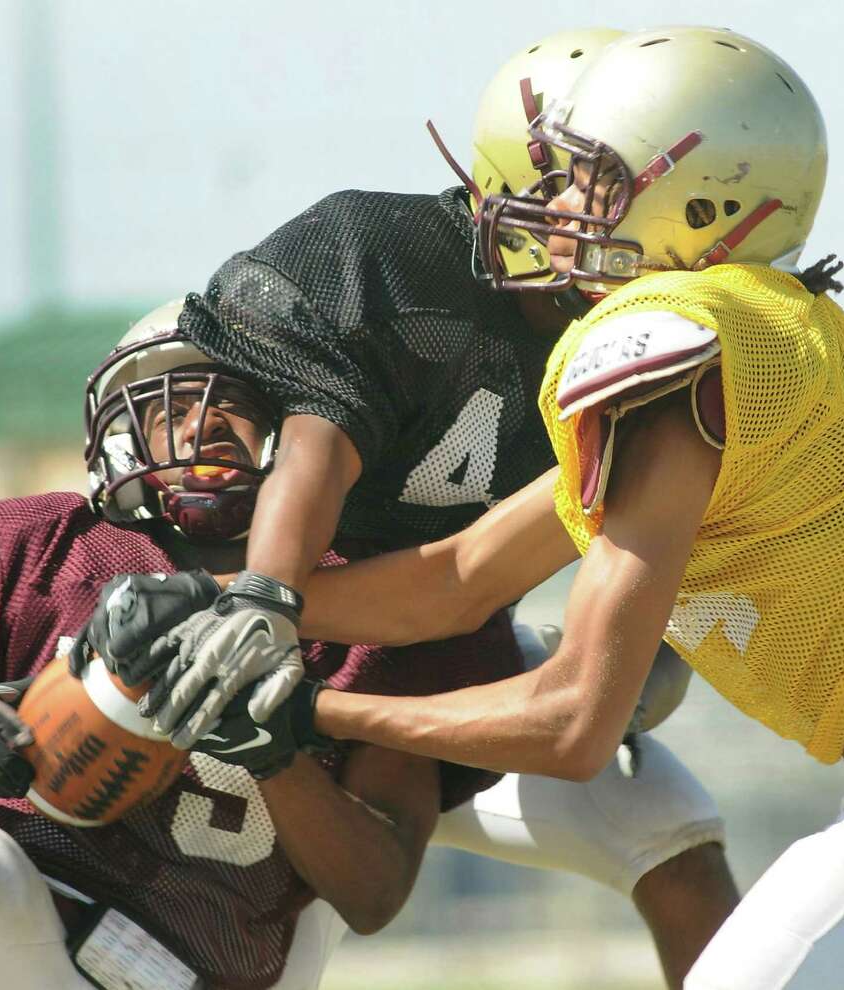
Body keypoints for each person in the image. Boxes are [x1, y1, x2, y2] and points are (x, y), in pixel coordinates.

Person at [135, 25, 844, 990]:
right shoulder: (762, 336)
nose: (559, 205)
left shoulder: (680, 351)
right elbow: (458, 581)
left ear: (701, 203)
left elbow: (576, 722)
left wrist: (317, 715)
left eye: (597, 179)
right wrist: (241, 604)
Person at [75, 27, 739, 988]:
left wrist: (625, 645)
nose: (604, 208)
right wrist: (249, 599)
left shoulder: (638, 352)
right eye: (589, 177)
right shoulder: (388, 262)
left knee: (673, 833)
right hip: (265, 656)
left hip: (422, 674)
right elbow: (317, 442)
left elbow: (461, 590)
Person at [0, 311, 518, 990]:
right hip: (11, 921)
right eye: (170, 410)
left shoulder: (381, 593)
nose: (201, 424)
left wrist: (274, 754)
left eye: (233, 400)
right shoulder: (38, 549)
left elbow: (375, 893)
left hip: (199, 970)